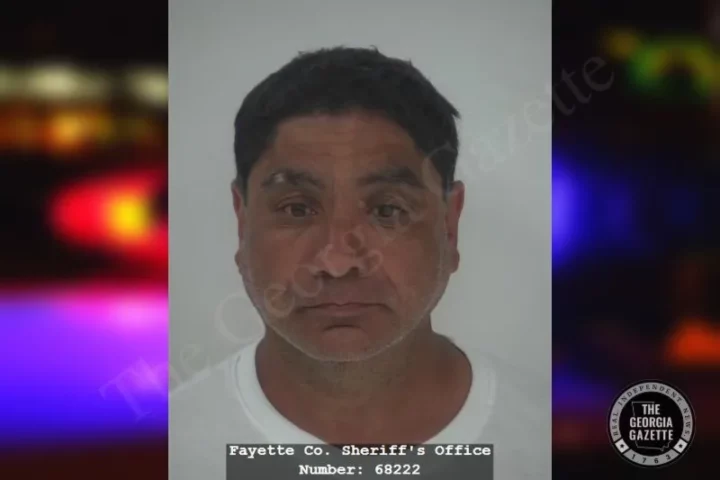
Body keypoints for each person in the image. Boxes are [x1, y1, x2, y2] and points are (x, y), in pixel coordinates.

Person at [170, 46, 549, 479]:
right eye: (297, 209)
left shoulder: (551, 441)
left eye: (388, 211)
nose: (337, 262)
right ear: (242, 221)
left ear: (449, 227)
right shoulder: (164, 450)